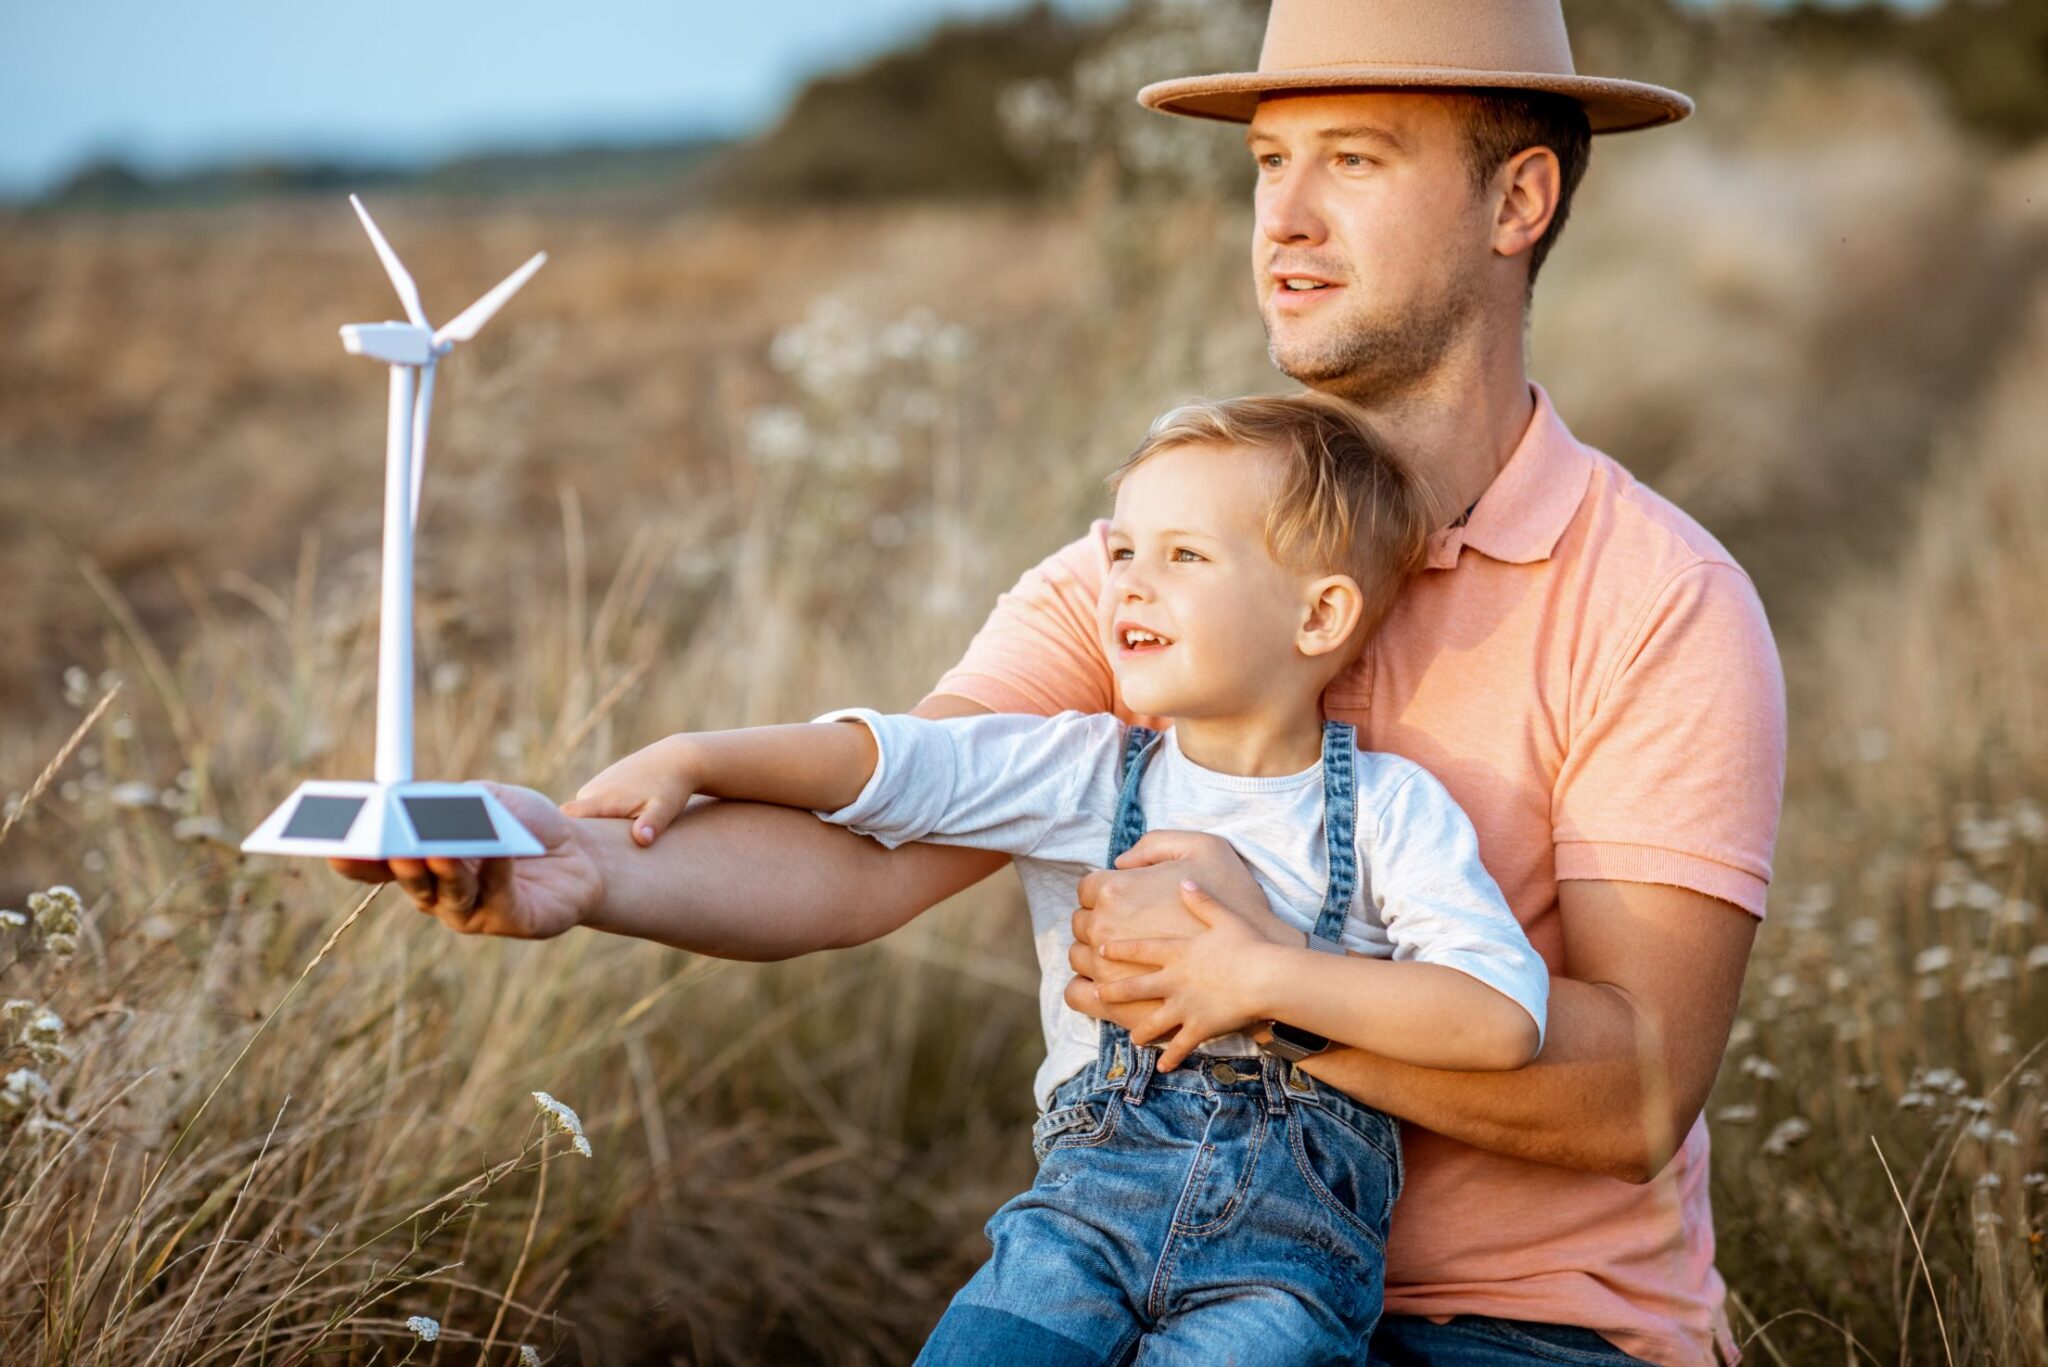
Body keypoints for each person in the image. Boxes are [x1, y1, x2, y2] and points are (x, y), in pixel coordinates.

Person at [334, 2, 1787, 1362]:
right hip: (1132, 1253)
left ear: (1516, 202)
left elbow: (1632, 1089)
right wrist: (578, 863)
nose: (1282, 217)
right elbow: (876, 845)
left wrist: (1241, 982)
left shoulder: (1659, 602)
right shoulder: (1150, 576)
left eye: (1354, 159)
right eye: (1271, 161)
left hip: (1529, 1325)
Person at [562, 393, 1551, 1360]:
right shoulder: (1080, 769)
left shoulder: (1390, 809)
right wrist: (697, 755)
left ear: (1318, 612)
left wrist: (1258, 978)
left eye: (1184, 556)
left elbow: (1497, 1015)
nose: (1126, 582)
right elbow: (898, 762)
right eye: (1120, 551)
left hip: (1285, 1276)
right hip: (1073, 1232)